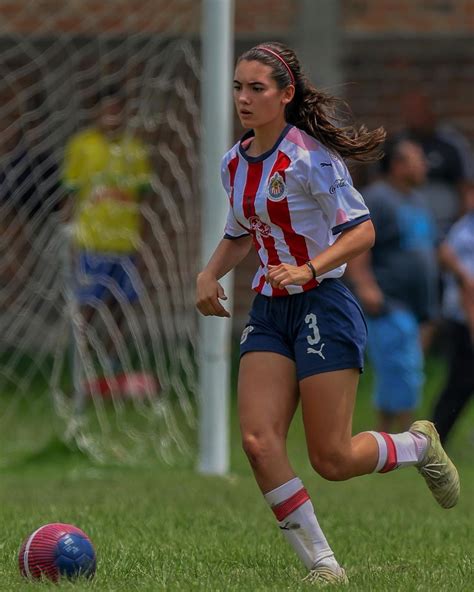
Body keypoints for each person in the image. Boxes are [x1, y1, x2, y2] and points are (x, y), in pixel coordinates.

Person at [195, 42, 460, 586]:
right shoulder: (232, 161)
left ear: (286, 94)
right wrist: (208, 273)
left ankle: (416, 444)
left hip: (324, 304)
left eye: (256, 88)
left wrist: (309, 269)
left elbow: (361, 230)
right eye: (238, 87)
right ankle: (323, 565)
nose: (243, 98)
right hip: (270, 310)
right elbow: (241, 231)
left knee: (332, 459)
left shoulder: (310, 157)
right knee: (257, 441)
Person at [347, 138, 438, 433]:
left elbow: (428, 246)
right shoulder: (378, 197)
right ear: (398, 166)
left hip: (416, 305)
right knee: (403, 367)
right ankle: (411, 439)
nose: (424, 165)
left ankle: (386, 437)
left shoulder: (417, 199)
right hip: (388, 299)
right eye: (417, 159)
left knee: (397, 369)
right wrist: (364, 283)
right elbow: (358, 241)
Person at [62, 86, 153, 375]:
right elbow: (71, 194)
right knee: (88, 305)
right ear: (96, 114)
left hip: (125, 243)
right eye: (107, 111)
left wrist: (144, 242)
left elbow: (144, 200)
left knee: (123, 307)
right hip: (91, 241)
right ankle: (83, 363)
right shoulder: (81, 146)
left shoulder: (134, 150)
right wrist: (69, 236)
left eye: (118, 110)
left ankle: (113, 362)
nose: (113, 117)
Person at [397, 90, 474, 239]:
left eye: (418, 110)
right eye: (409, 111)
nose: (414, 116)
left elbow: (466, 189)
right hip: (412, 229)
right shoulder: (398, 144)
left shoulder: (450, 144)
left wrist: (458, 232)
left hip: (448, 227)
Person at [432, 182, 474, 445]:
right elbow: (467, 286)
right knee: (460, 383)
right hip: (465, 320)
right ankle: (434, 438)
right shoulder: (465, 233)